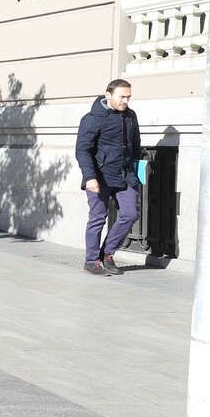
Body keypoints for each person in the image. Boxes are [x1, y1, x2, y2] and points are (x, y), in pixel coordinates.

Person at [75, 78, 141, 276]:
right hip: (100, 177)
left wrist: (137, 168)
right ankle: (91, 261)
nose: (125, 101)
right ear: (108, 95)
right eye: (122, 97)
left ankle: (108, 254)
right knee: (98, 218)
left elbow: (135, 144)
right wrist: (89, 177)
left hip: (125, 175)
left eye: (128, 97)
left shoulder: (131, 116)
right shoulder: (93, 118)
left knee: (130, 213)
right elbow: (82, 150)